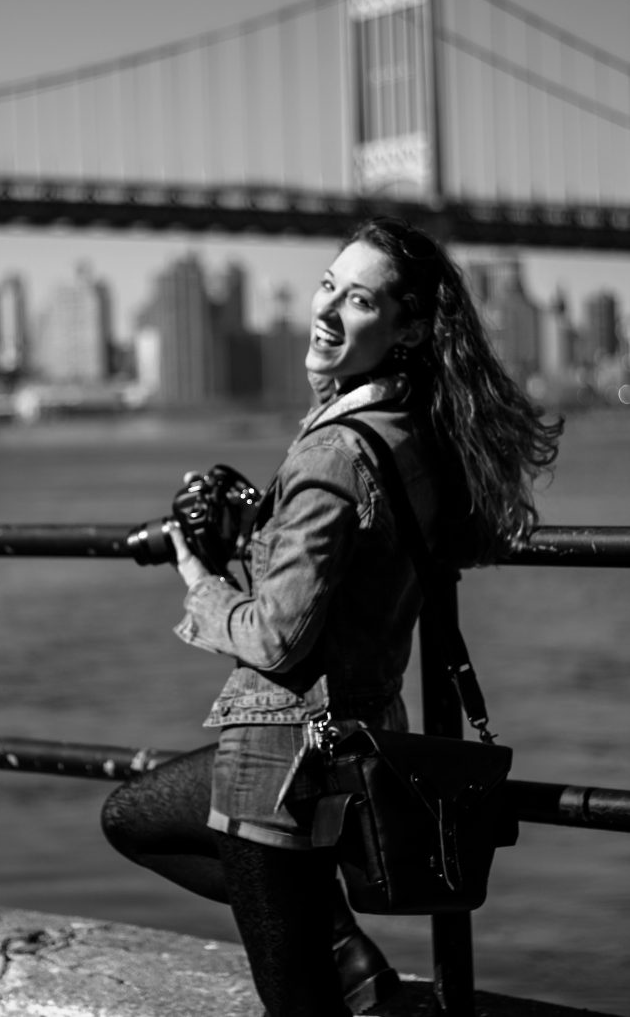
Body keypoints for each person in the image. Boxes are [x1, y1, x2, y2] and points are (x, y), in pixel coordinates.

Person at [101, 217, 563, 1017]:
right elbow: (365, 561)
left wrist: (198, 577)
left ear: (407, 329)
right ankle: (345, 952)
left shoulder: (330, 454)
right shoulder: (413, 433)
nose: (326, 309)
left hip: (279, 755)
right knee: (137, 818)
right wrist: (270, 539)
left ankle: (345, 952)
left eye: (358, 299)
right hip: (359, 732)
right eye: (327, 286)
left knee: (294, 997)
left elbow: (276, 638)